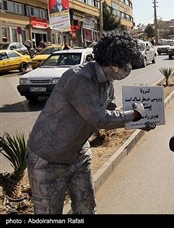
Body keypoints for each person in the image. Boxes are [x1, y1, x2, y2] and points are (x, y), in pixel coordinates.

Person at [27, 33, 156, 214]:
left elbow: (110, 110)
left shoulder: (107, 81)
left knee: (87, 208)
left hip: (78, 155)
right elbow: (100, 118)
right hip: (48, 158)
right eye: (127, 63)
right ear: (114, 66)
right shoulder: (79, 78)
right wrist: (134, 115)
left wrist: (138, 121)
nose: (129, 68)